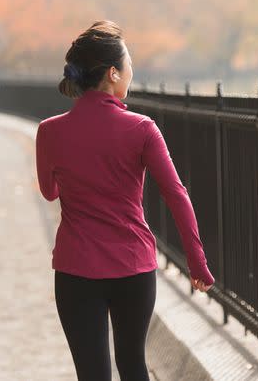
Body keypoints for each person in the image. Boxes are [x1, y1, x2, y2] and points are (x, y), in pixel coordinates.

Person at [35, 20, 215, 381]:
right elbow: (176, 194)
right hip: (133, 267)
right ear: (114, 73)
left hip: (75, 269)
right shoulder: (142, 128)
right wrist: (197, 263)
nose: (133, 71)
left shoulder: (49, 131)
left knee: (92, 373)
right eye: (129, 64)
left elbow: (49, 191)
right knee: (133, 363)